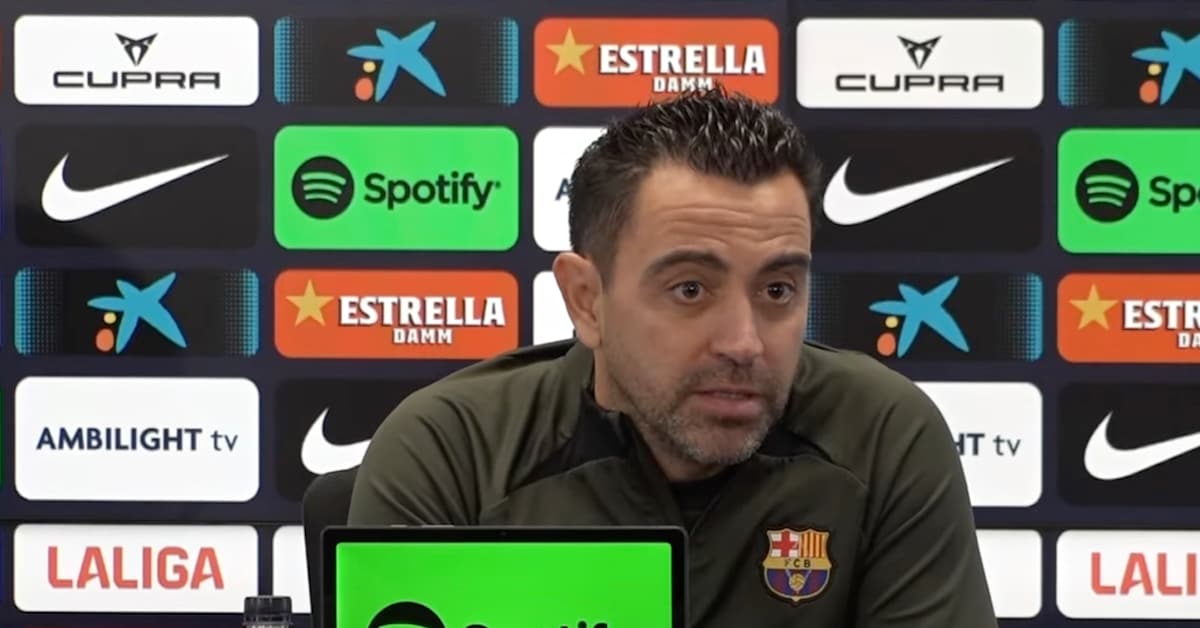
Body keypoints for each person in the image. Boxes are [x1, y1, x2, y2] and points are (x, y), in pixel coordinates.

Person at [348, 86, 998, 627]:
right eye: (690, 289)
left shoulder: (883, 435)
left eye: (777, 290)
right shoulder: (455, 451)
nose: (743, 342)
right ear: (586, 301)